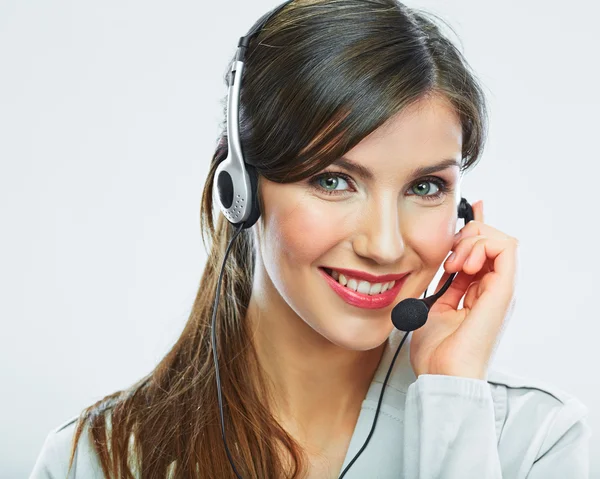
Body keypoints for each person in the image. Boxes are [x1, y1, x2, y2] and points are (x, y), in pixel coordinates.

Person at [30, 0, 591, 478]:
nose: (386, 245)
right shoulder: (96, 459)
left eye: (425, 186)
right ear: (241, 191)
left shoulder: (534, 444)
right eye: (333, 180)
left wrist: (452, 403)